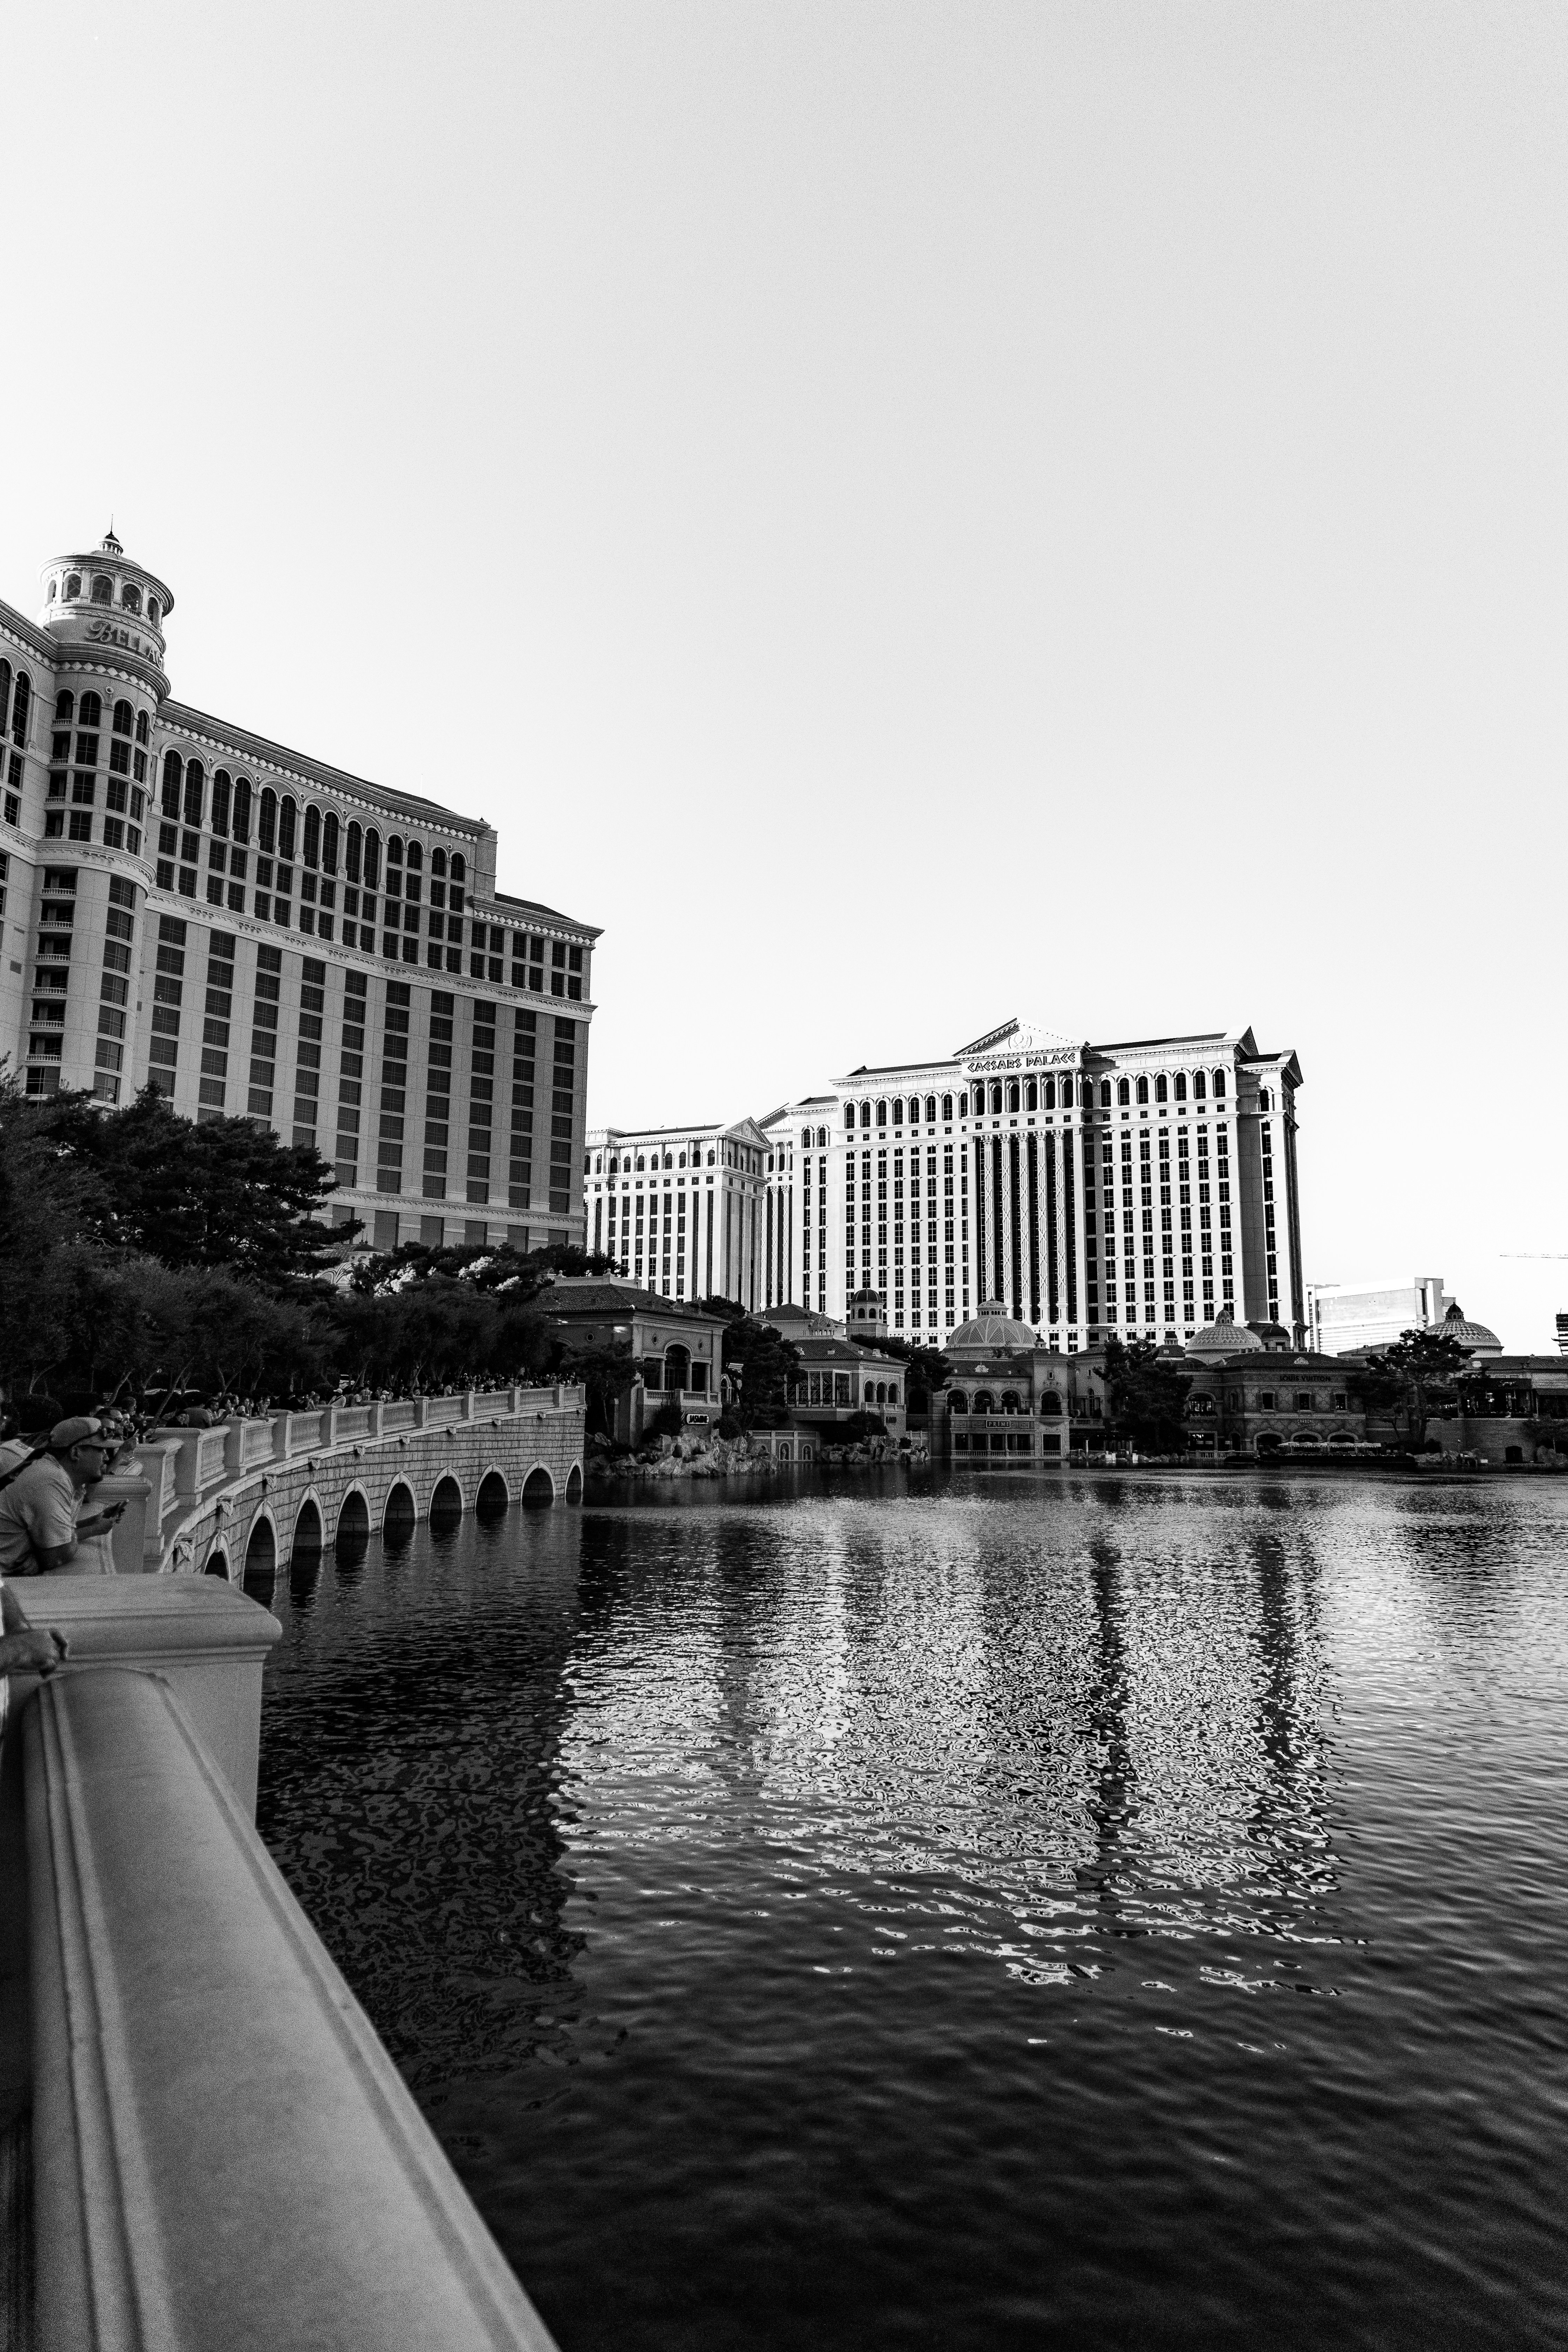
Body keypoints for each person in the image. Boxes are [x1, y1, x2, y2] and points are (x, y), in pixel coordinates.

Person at [0, 1418, 127, 1577]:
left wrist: (92, 1521)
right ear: (76, 1453)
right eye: (100, 1451)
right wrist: (95, 1529)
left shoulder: (69, 1480)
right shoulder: (50, 1479)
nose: (107, 1458)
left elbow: (64, 1534)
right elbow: (57, 1556)